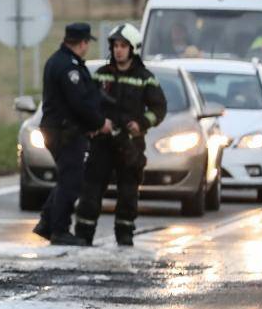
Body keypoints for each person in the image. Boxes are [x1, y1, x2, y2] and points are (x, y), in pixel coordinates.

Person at [75, 24, 167, 247]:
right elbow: (89, 104)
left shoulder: (146, 78)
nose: (118, 50)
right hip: (102, 142)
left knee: (128, 190)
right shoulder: (102, 75)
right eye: (115, 46)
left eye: (123, 46)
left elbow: (159, 108)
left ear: (132, 48)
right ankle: (83, 233)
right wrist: (95, 125)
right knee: (91, 188)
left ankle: (124, 233)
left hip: (130, 143)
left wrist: (142, 123)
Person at [34, 22, 111, 246]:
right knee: (71, 181)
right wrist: (100, 122)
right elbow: (79, 103)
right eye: (87, 42)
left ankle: (47, 222)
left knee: (67, 177)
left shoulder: (62, 61)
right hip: (65, 131)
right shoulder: (69, 67)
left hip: (61, 129)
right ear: (83, 42)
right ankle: (60, 230)